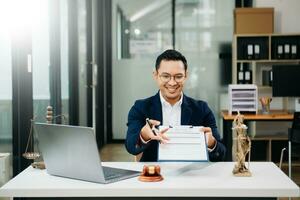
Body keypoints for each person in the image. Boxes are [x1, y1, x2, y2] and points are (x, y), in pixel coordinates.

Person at [125, 49, 226, 162]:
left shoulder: (201, 109)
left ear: (186, 76)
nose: (172, 83)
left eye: (178, 76)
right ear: (156, 75)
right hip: (155, 174)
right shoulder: (141, 108)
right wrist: (143, 135)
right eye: (166, 76)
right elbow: (131, 147)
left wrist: (211, 143)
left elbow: (221, 154)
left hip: (192, 175)